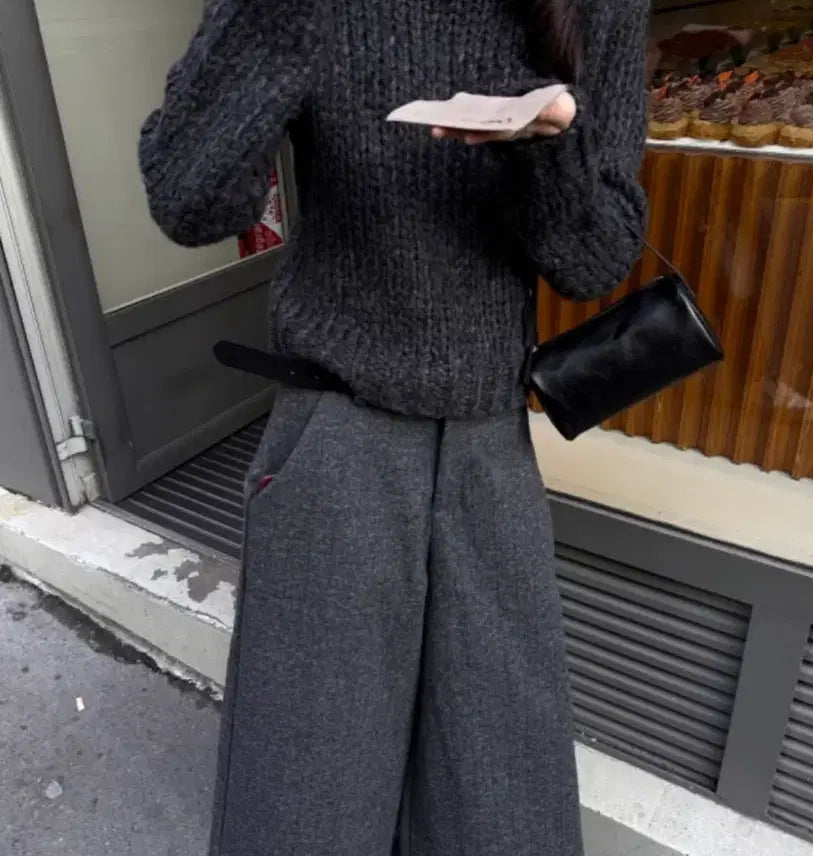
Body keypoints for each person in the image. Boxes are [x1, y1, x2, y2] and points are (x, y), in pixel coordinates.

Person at [139, 0, 649, 852]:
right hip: (335, 437)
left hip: (489, 449)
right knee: (307, 806)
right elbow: (188, 199)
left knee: (503, 813)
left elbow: (596, 259)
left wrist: (551, 148)